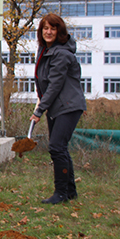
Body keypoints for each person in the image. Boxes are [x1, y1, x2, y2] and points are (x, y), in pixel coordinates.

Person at [30, 13, 87, 204]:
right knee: (60, 147)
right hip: (57, 106)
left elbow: (55, 85)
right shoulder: (45, 50)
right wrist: (41, 101)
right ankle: (70, 191)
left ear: (59, 31)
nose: (48, 32)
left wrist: (39, 110)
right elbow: (43, 82)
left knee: (56, 147)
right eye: (45, 28)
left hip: (68, 106)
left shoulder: (61, 54)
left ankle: (61, 193)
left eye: (53, 28)